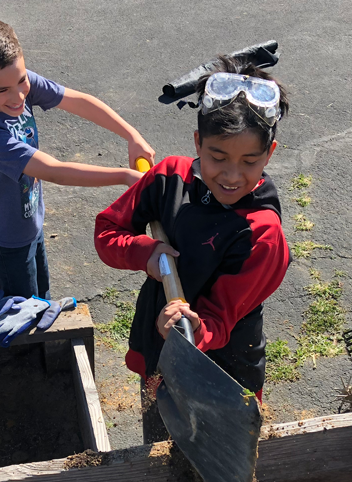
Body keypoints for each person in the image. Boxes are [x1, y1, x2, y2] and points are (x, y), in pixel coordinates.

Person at [93, 56, 291, 442]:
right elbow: (107, 231)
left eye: (250, 162)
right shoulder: (168, 178)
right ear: (198, 142)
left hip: (225, 362)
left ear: (270, 154)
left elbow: (220, 320)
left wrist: (195, 328)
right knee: (161, 439)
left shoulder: (263, 233)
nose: (232, 176)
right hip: (160, 342)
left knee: (220, 451)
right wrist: (144, 253)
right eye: (218, 157)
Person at [0, 16, 154, 299]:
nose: (18, 96)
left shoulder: (12, 80)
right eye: (2, 91)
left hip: (28, 218)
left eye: (22, 80)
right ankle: (28, 343)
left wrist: (131, 134)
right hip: (5, 236)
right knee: (24, 307)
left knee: (41, 294)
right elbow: (55, 171)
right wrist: (123, 176)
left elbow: (77, 101)